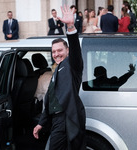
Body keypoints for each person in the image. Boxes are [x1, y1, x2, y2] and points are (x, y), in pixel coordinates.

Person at [33, 5, 86, 150]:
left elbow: (76, 48)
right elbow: (50, 99)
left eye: (60, 50)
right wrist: (41, 123)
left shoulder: (72, 64)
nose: (56, 54)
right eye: (53, 52)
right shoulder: (56, 69)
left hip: (68, 119)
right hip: (56, 120)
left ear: (67, 51)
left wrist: (70, 26)